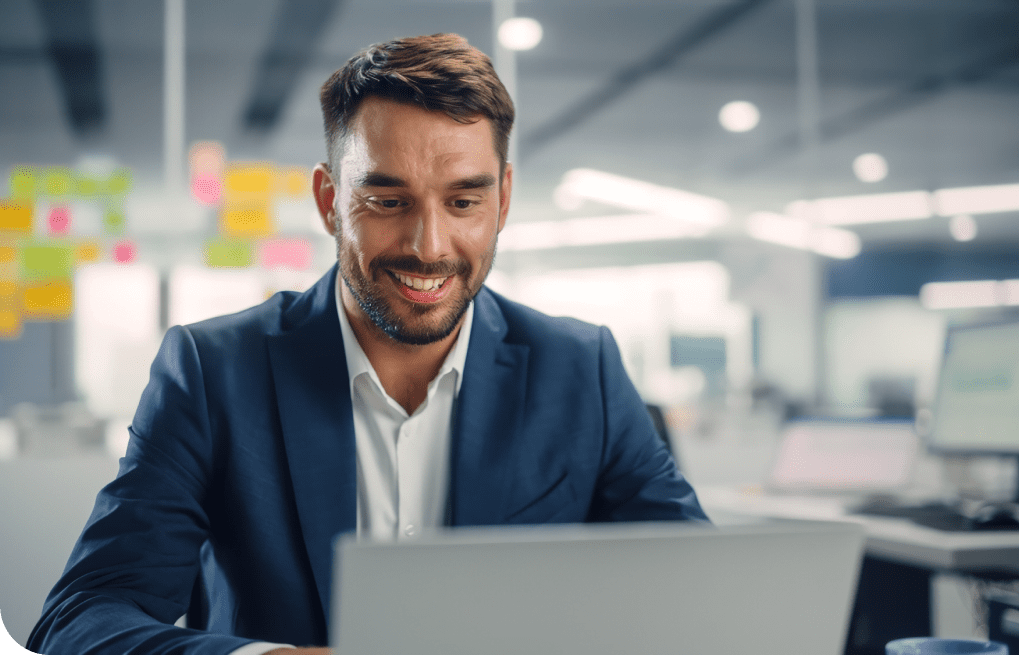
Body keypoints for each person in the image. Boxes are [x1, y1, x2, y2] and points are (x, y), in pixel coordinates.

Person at [26, 33, 708, 655]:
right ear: (329, 202)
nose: (429, 246)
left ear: (502, 200)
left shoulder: (580, 368)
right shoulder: (214, 371)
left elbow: (698, 594)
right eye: (388, 201)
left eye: (463, 202)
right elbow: (81, 618)